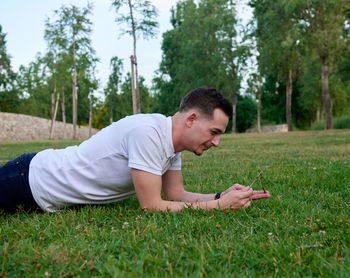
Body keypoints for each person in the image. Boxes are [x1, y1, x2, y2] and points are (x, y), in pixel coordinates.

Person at [0, 87, 270, 213]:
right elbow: (151, 206)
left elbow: (175, 195)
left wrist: (221, 195)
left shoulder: (171, 146)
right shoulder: (148, 133)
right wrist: (218, 207)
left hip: (41, 194)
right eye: (215, 132)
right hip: (31, 179)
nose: (217, 142)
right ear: (191, 119)